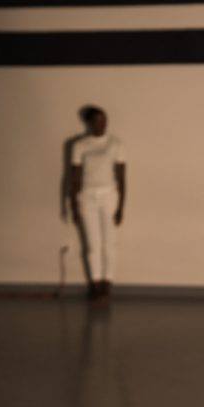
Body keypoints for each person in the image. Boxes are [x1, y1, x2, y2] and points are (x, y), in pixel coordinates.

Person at [70, 106, 126, 301]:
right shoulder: (80, 145)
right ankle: (95, 283)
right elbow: (74, 177)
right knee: (92, 244)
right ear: (89, 123)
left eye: (105, 120)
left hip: (109, 196)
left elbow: (122, 176)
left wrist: (121, 206)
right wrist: (73, 205)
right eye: (97, 121)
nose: (102, 124)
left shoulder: (115, 143)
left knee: (109, 242)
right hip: (87, 197)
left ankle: (107, 283)